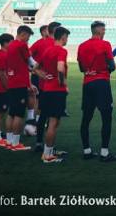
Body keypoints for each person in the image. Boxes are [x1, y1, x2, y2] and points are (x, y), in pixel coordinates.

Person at [77, 21, 116, 162]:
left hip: (87, 83)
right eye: (103, 29)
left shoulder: (82, 46)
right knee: (106, 118)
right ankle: (104, 152)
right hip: (101, 83)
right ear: (99, 31)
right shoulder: (105, 44)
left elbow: (81, 68)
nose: (104, 31)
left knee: (86, 118)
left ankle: (87, 150)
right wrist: (104, 70)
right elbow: (112, 66)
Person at [35, 26, 71, 164]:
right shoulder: (61, 50)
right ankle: (47, 155)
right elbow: (60, 68)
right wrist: (63, 84)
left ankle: (49, 150)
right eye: (67, 37)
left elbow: (35, 68)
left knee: (52, 122)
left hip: (47, 90)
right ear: (63, 37)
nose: (67, 40)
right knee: (53, 123)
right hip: (57, 91)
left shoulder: (47, 50)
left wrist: (45, 77)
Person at [5, 25, 37, 151]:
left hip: (12, 82)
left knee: (11, 113)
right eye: (28, 37)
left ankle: (9, 141)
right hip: (20, 83)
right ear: (23, 34)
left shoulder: (11, 45)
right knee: (18, 114)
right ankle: (15, 143)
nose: (28, 40)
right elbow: (30, 62)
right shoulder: (21, 45)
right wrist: (41, 68)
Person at [34, 21, 62, 153]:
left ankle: (40, 143)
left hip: (44, 85)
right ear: (55, 30)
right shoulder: (55, 45)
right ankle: (49, 148)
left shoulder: (40, 43)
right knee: (53, 120)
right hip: (54, 87)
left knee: (43, 115)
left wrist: (38, 72)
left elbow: (29, 58)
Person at [0, 33, 14, 148]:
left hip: (0, 88)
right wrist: (8, 88)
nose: (13, 44)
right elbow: (2, 74)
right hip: (2, 89)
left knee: (0, 112)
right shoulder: (2, 55)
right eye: (11, 42)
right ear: (5, 43)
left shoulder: (3, 54)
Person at [27, 25, 50, 127]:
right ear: (43, 32)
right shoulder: (38, 43)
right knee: (38, 98)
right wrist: (33, 68)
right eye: (47, 30)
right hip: (38, 75)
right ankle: (37, 119)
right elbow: (28, 55)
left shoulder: (50, 42)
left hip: (45, 74)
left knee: (44, 97)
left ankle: (40, 119)